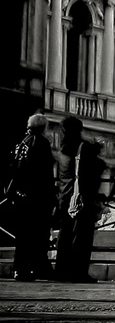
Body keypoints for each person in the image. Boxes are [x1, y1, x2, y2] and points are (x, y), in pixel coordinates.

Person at [54, 117, 106, 283]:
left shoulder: (62, 150)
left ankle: (61, 271)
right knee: (82, 237)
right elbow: (89, 172)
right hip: (81, 198)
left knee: (65, 236)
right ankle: (78, 272)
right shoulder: (84, 147)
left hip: (65, 197)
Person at [4, 114, 55, 281]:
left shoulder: (22, 143)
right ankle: (38, 267)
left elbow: (13, 168)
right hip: (37, 196)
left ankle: (20, 268)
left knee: (23, 235)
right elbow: (45, 173)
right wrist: (51, 195)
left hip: (20, 195)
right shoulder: (41, 143)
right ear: (43, 127)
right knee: (38, 234)